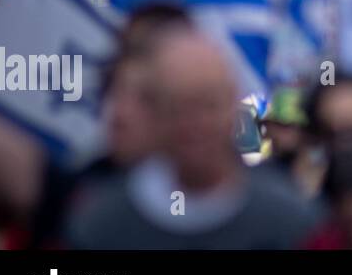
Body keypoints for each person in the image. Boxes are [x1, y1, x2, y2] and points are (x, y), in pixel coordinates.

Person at [64, 31, 323, 249]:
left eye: (209, 106)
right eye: (178, 107)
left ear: (233, 108)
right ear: (155, 113)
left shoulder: (290, 222)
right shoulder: (101, 225)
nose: (196, 125)